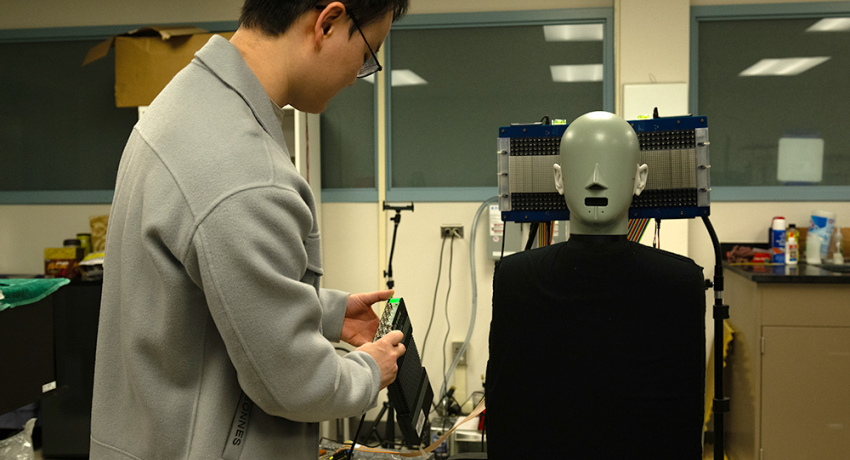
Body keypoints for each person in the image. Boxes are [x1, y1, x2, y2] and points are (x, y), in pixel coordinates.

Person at [90, 1, 409, 458]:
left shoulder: (181, 106)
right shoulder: (247, 172)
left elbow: (202, 288)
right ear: (328, 23)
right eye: (366, 56)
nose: (358, 75)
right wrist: (368, 370)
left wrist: (327, 311)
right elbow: (295, 383)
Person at [486, 112, 706, 459]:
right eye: (583, 167)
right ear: (558, 179)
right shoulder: (515, 280)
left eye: (611, 167)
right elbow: (506, 405)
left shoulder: (680, 284)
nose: (595, 180)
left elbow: (684, 412)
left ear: (640, 179)